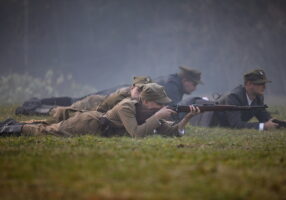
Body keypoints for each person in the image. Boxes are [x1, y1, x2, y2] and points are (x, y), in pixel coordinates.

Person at [0, 83, 201, 138]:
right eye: (158, 103)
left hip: (98, 129)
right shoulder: (127, 107)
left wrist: (187, 119)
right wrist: (158, 116)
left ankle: (13, 124)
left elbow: (172, 132)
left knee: (49, 127)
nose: (161, 107)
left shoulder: (149, 112)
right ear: (147, 101)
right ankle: (8, 129)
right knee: (46, 131)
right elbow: (137, 134)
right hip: (88, 124)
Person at [15, 66, 202, 115]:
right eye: (194, 84)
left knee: (76, 100)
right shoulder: (173, 88)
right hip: (116, 97)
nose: (194, 88)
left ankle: (37, 103)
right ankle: (34, 106)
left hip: (118, 92)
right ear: (186, 81)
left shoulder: (171, 82)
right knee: (75, 106)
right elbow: (166, 109)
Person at [185, 69, 278, 130]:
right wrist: (263, 126)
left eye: (264, 84)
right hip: (206, 120)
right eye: (260, 84)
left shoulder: (258, 97)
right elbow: (236, 125)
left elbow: (265, 118)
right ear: (248, 84)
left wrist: (277, 123)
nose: (264, 87)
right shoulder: (234, 97)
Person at [49, 76, 152, 122]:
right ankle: (50, 110)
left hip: (100, 103)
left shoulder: (138, 99)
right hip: (94, 104)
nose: (141, 94)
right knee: (64, 114)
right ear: (132, 88)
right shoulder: (120, 98)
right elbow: (102, 111)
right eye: (139, 90)